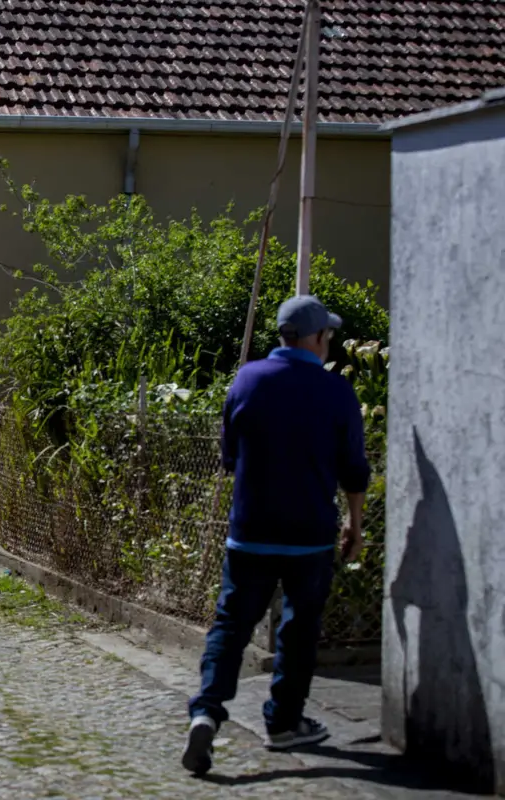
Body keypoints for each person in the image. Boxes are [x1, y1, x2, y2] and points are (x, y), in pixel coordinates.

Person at [181, 295, 370, 776]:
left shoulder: (248, 379)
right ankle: (284, 722)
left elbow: (229, 454)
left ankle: (206, 712)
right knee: (299, 630)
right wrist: (354, 522)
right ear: (317, 337)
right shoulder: (335, 391)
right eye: (328, 335)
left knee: (231, 627)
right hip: (310, 536)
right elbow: (353, 467)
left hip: (251, 531)